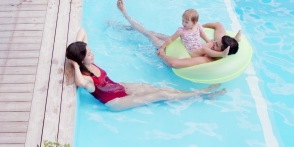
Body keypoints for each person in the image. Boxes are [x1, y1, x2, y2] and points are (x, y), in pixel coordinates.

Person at [66, 28, 226, 111]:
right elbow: (79, 83)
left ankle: (199, 96)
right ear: (81, 60)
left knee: (160, 89)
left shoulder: (86, 60)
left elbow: (82, 32)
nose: (93, 54)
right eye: (88, 54)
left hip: (118, 87)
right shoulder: (86, 77)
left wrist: (76, 49)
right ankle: (204, 94)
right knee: (161, 95)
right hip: (115, 101)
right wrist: (73, 63)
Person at [116, 0, 241, 69]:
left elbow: (173, 63)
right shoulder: (215, 44)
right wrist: (194, 28)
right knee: (151, 31)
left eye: (216, 45)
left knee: (147, 33)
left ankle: (125, 13)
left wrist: (162, 53)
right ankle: (125, 27)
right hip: (182, 39)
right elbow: (218, 25)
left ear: (221, 53)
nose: (213, 43)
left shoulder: (206, 59)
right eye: (215, 41)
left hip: (168, 48)